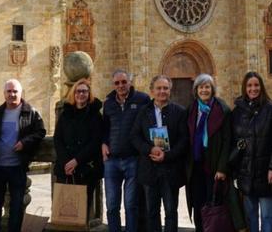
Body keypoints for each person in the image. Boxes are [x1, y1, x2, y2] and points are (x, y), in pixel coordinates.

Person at [185, 74, 246, 232]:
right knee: (198, 203)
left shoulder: (222, 110)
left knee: (215, 206)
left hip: (214, 168)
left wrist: (222, 168)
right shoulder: (192, 109)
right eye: (201, 87)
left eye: (207, 87)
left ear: (212, 89)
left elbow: (227, 141)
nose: (204, 90)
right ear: (196, 90)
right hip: (196, 166)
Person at [131, 74, 188, 232]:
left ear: (170, 90)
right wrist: (149, 149)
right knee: (151, 212)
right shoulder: (143, 112)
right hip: (149, 170)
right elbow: (134, 136)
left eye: (165, 88)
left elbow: (184, 140)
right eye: (159, 88)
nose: (162, 91)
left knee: (171, 212)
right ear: (152, 91)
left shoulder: (180, 112)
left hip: (171, 170)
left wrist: (167, 155)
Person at [0, 79, 47, 232]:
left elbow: (40, 132)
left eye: (15, 91)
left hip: (18, 167)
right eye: (9, 91)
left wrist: (25, 142)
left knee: (17, 206)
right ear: (4, 94)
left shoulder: (31, 112)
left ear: (21, 93)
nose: (12, 94)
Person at [230, 71, 272, 232]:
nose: (253, 89)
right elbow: (234, 142)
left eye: (256, 85)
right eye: (249, 85)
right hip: (246, 172)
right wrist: (236, 171)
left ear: (261, 87)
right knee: (250, 216)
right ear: (244, 88)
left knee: (268, 217)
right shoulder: (237, 112)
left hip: (266, 172)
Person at [102, 69, 151, 232]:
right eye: (117, 83)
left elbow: (149, 123)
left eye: (124, 82)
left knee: (131, 205)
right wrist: (103, 143)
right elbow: (105, 128)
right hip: (112, 160)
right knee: (111, 205)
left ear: (130, 82)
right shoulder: (108, 103)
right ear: (113, 84)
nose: (121, 85)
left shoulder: (142, 99)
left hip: (133, 159)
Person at [54, 78, 103, 222]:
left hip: (86, 169)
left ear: (89, 94)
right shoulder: (65, 113)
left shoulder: (95, 115)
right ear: (73, 93)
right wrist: (66, 162)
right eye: (78, 91)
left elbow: (95, 142)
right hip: (65, 169)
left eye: (84, 91)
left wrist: (76, 161)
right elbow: (58, 139)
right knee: (62, 211)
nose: (81, 94)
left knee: (82, 211)